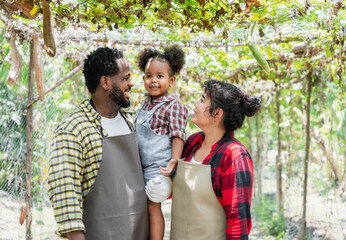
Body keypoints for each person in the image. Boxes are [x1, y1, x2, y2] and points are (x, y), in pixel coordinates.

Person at [48, 47, 149, 240]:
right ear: (105, 82)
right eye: (125, 78)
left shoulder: (135, 122)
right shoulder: (74, 129)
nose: (132, 83)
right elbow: (65, 193)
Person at [162, 79, 261, 240]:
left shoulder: (234, 155)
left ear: (217, 113)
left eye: (202, 100)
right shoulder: (193, 142)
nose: (195, 104)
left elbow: (237, 222)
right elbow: (178, 191)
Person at [135, 45, 188, 240]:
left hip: (159, 167)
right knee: (141, 205)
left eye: (160, 76)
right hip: (139, 164)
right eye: (149, 76)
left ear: (171, 80)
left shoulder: (173, 106)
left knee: (153, 205)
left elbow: (177, 135)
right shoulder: (145, 102)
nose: (153, 81)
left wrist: (174, 160)